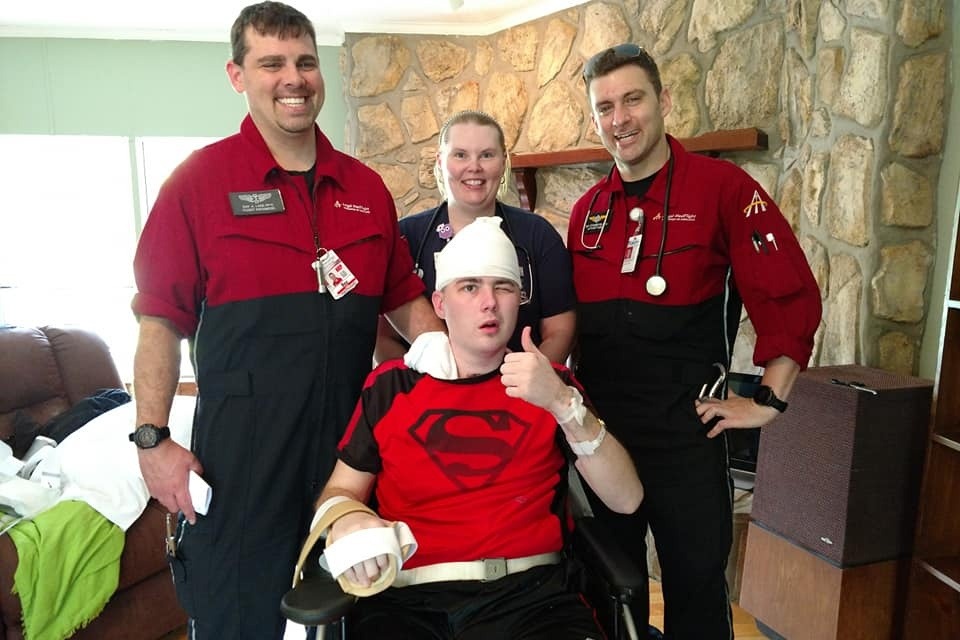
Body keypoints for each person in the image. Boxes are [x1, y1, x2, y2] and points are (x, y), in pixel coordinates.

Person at [129, 3, 442, 638]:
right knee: (237, 619)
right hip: (242, 459)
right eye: (271, 63)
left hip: (352, 453)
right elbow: (159, 322)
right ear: (237, 75)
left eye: (305, 62)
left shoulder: (365, 189)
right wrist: (152, 441)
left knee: (366, 612)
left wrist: (448, 364)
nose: (293, 78)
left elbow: (404, 298)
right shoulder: (197, 185)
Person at [569, 44, 822, 639]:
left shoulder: (724, 189)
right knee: (608, 590)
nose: (619, 119)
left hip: (687, 438)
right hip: (602, 439)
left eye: (633, 99)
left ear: (664, 101)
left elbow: (788, 293)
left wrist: (767, 400)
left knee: (696, 591)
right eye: (604, 107)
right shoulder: (587, 211)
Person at [313, 216, 643, 639]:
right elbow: (340, 490)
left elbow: (627, 499)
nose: (489, 303)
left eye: (502, 287)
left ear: (518, 300)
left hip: (531, 600)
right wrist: (346, 519)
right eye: (470, 287)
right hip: (406, 603)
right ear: (439, 304)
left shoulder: (551, 383)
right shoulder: (390, 387)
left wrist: (564, 405)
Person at [374, 110, 577, 365]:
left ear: (503, 162)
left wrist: (532, 381)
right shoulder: (407, 238)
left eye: (487, 155)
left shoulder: (538, 235)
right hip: (428, 388)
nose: (474, 167)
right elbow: (384, 339)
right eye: (460, 155)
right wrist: (418, 385)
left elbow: (561, 330)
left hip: (521, 386)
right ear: (440, 161)